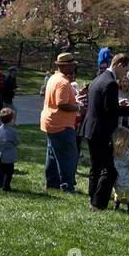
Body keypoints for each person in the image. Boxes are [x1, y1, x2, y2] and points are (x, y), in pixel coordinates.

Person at [83, 53, 129, 211]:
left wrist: (117, 103)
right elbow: (110, 111)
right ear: (119, 65)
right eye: (125, 70)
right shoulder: (110, 83)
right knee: (109, 171)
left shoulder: (99, 78)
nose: (125, 74)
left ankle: (92, 198)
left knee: (95, 167)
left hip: (91, 128)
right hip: (101, 131)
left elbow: (102, 105)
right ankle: (98, 204)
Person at [40, 53, 81, 193]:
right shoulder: (63, 82)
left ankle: (52, 183)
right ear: (65, 66)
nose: (74, 66)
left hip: (50, 122)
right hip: (61, 125)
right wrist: (78, 107)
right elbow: (62, 104)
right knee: (68, 157)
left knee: (52, 154)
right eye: (72, 64)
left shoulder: (53, 78)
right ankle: (67, 186)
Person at [111, 126, 129, 213]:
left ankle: (116, 206)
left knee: (118, 193)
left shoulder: (112, 152)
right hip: (128, 178)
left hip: (117, 177)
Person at [0, 106, 18, 192]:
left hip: (0, 155)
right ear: (11, 120)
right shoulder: (13, 131)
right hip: (9, 156)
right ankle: (6, 186)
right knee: (9, 172)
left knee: (1, 171)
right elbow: (16, 142)